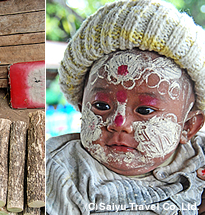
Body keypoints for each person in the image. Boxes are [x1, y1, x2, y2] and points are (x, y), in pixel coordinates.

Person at [46, 0, 205, 214]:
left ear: (188, 126)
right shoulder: (62, 172)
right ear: (81, 108)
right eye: (101, 106)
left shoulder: (199, 154)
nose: (119, 123)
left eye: (145, 110)